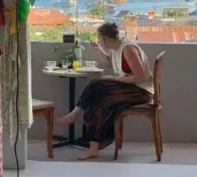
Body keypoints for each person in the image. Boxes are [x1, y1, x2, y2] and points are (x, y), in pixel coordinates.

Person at [56, 22, 154, 160]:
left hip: (140, 91)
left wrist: (115, 79)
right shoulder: (117, 46)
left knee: (97, 85)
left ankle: (76, 114)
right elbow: (109, 63)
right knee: (98, 100)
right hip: (129, 87)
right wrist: (99, 50)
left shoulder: (128, 49)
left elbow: (140, 76)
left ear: (106, 39)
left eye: (100, 39)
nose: (100, 42)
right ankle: (92, 147)